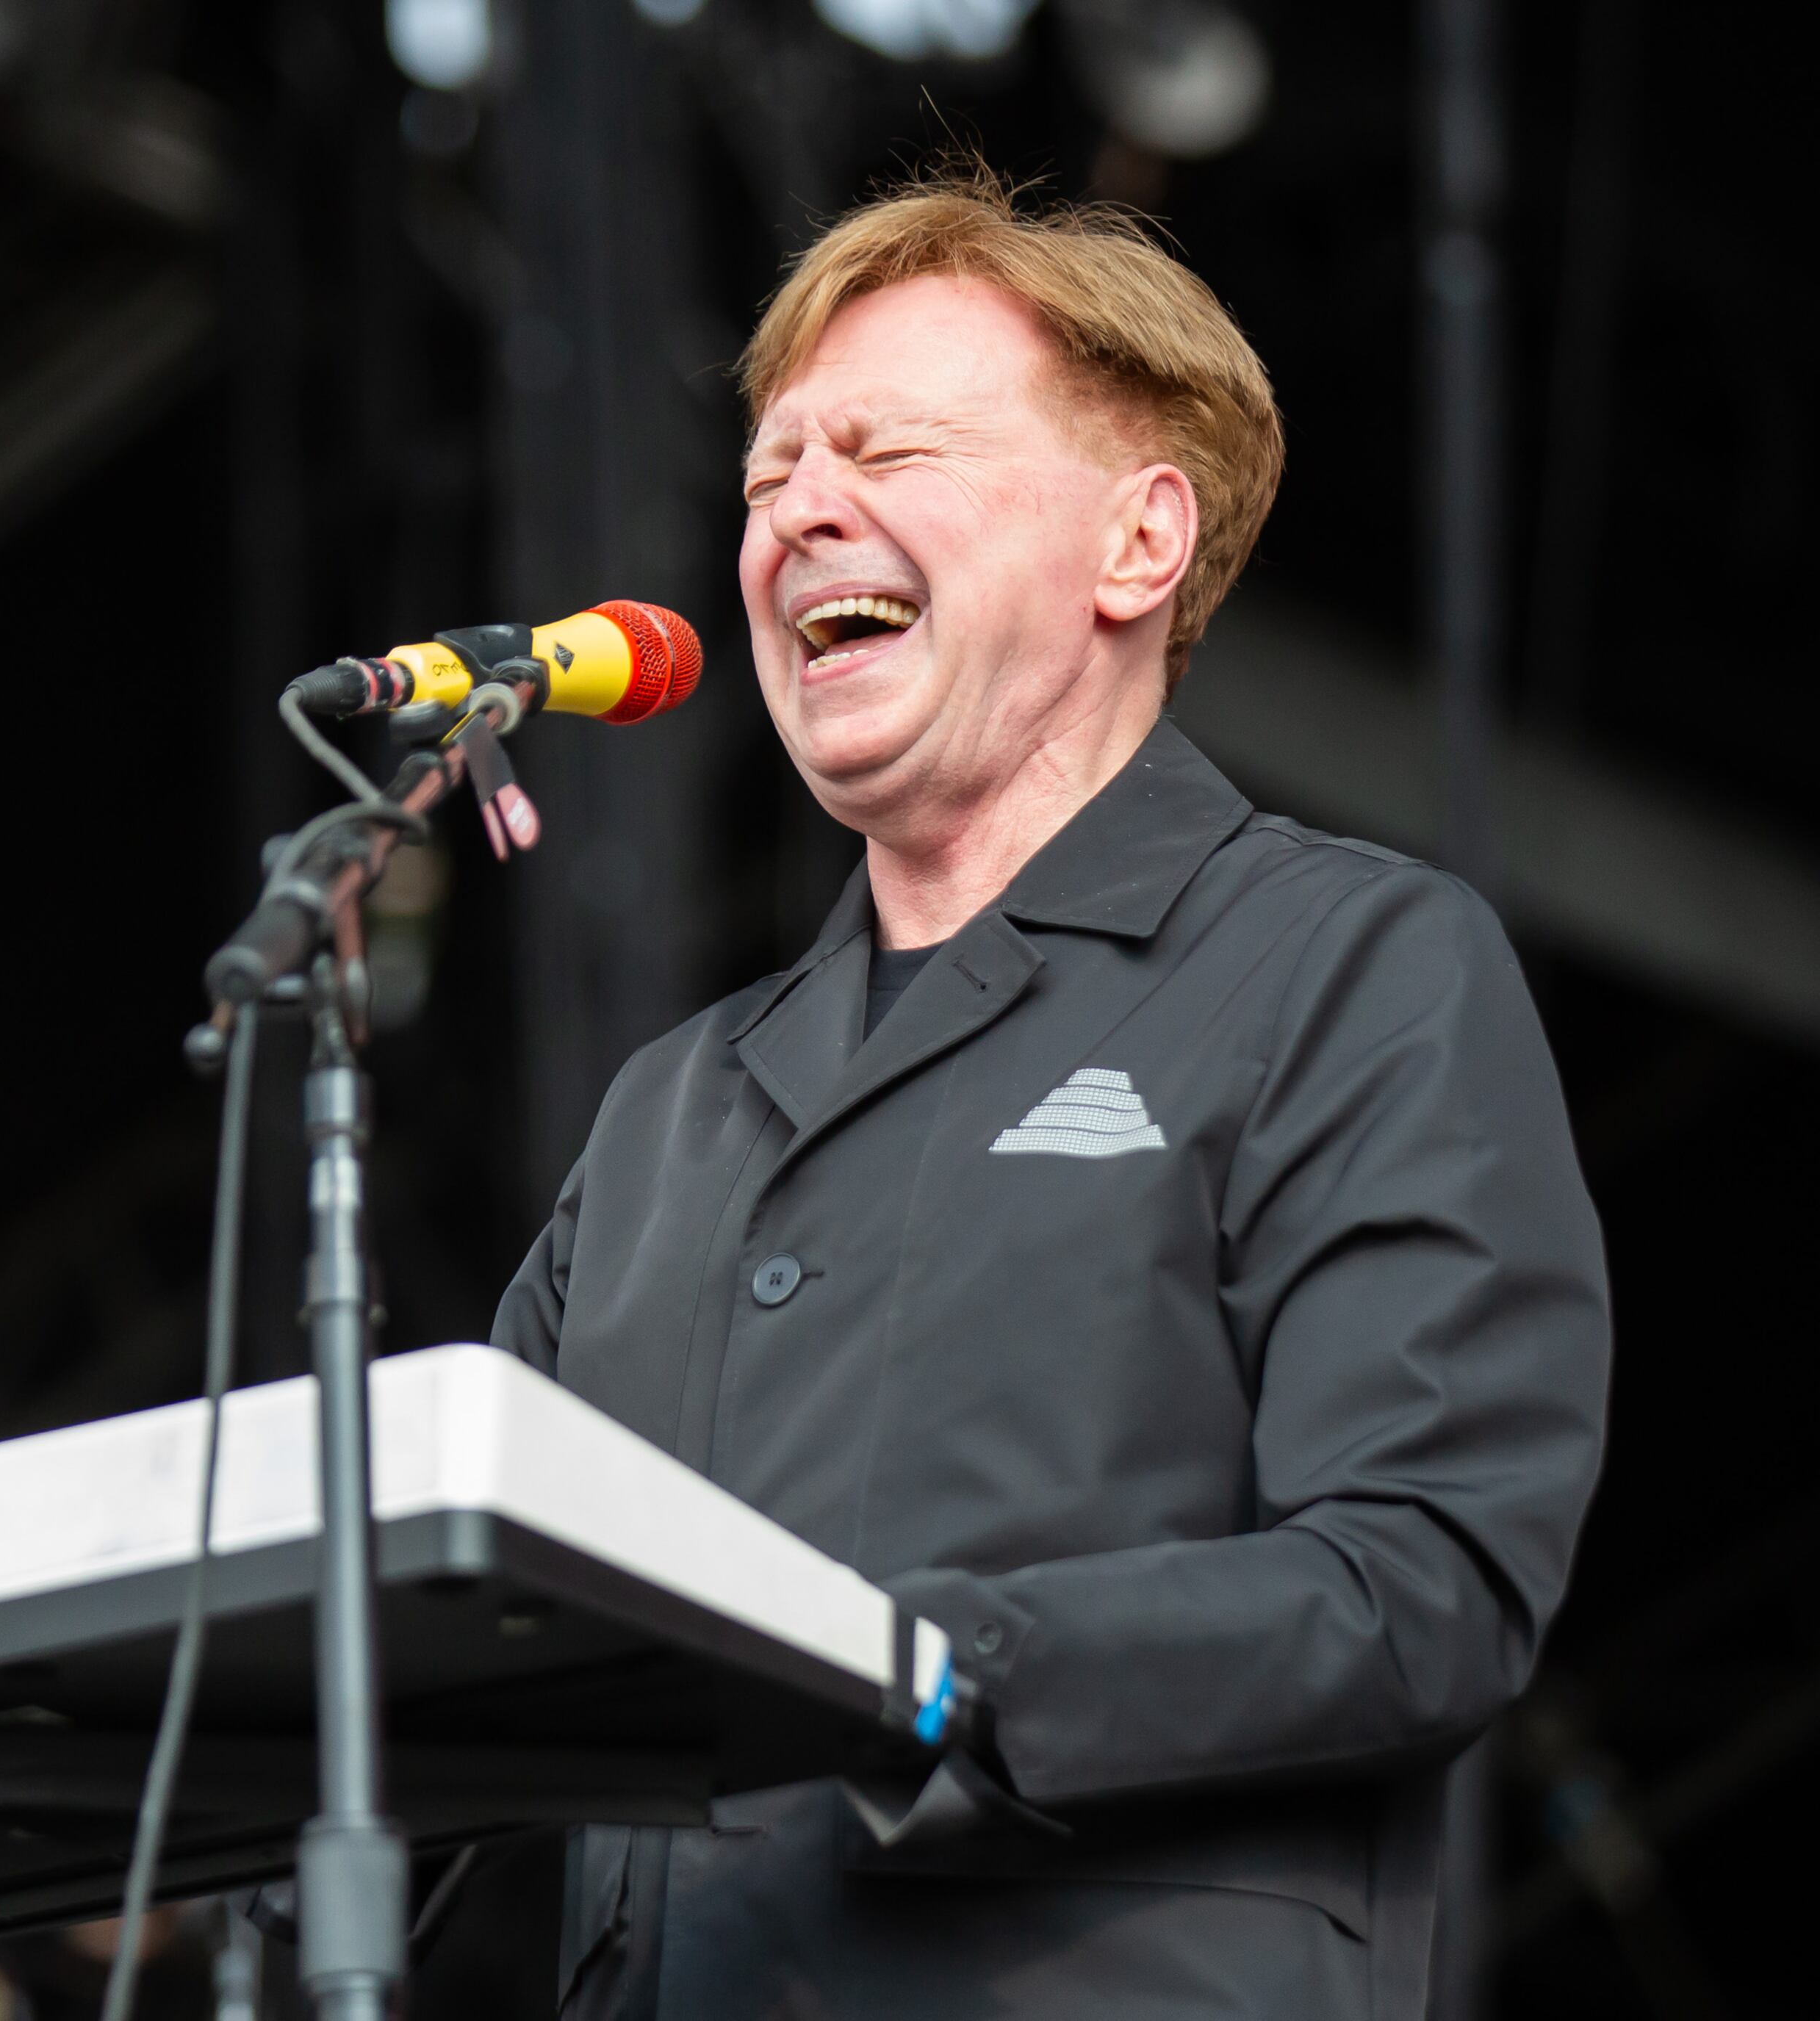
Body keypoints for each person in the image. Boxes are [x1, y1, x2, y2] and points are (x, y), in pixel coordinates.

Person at [491, 161, 1608, 2020]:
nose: (796, 518)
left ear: (1137, 545)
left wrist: (917, 1667)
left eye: (889, 454)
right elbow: (474, 1647)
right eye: (770, 478)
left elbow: (1424, 1575)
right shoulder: (663, 1114)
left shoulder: (1344, 965)